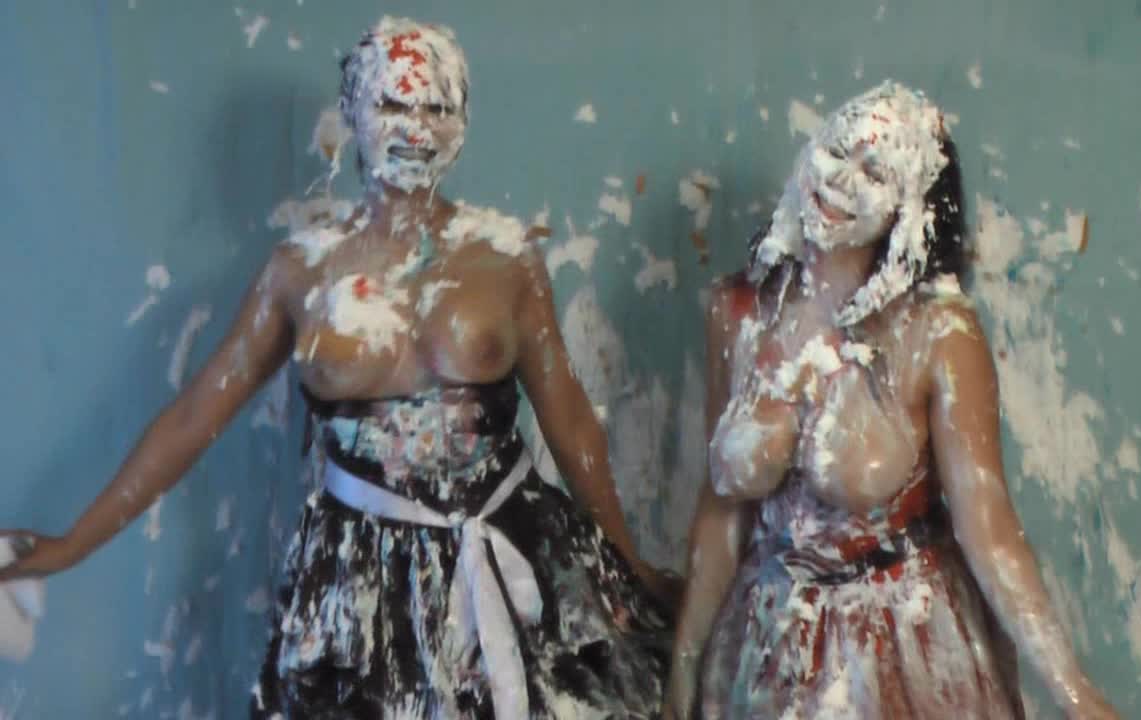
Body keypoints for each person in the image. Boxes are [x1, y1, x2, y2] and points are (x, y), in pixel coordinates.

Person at [0, 17, 677, 719]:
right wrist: (72, 544)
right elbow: (194, 416)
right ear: (353, 112)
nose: (416, 127)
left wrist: (630, 564)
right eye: (393, 104)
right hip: (359, 583)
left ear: (462, 121)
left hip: (512, 552)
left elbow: (569, 420)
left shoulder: (508, 258)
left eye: (436, 107)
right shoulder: (301, 270)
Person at [664, 81, 1119, 719]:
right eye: (835, 151)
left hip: (901, 651)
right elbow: (721, 513)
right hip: (763, 652)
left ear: (908, 209)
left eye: (873, 172)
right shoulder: (737, 311)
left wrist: (1075, 692)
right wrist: (685, 664)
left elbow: (989, 530)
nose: (839, 180)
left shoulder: (940, 333)